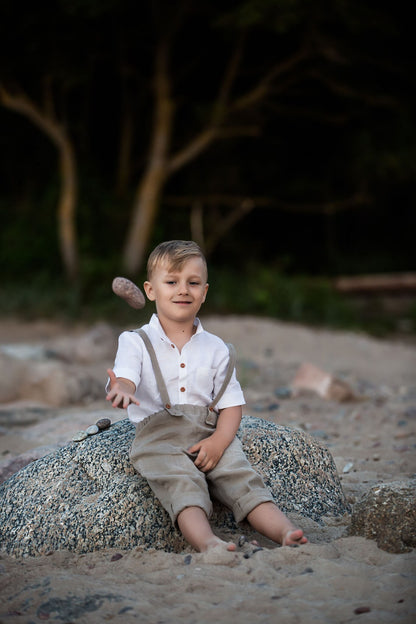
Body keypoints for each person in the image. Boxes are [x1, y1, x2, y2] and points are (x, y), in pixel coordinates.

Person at [106, 240, 307, 554]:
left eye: (193, 282)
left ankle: (284, 531)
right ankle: (208, 542)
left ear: (204, 292)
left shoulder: (216, 348)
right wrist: (123, 389)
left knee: (241, 476)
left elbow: (230, 404)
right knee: (181, 484)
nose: (183, 289)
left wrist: (219, 441)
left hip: (208, 431)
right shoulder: (135, 341)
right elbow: (127, 376)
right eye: (171, 282)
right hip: (158, 437)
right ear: (150, 290)